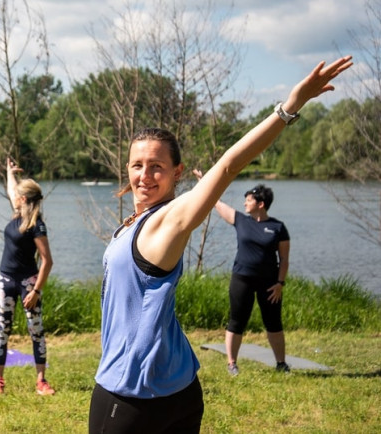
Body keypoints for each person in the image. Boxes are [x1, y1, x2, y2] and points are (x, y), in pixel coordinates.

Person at [88, 55, 352, 433]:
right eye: (137, 165)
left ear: (178, 172)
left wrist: (289, 107)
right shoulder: (135, 221)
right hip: (176, 385)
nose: (145, 175)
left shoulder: (170, 219)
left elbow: (228, 166)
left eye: (157, 166)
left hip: (133, 395)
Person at [192, 177, 290, 376]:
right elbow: (216, 202)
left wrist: (280, 283)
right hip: (242, 279)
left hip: (270, 284)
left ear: (260, 204)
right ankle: (232, 364)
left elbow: (284, 259)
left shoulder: (278, 228)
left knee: (273, 323)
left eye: (249, 200)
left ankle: (281, 363)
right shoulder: (240, 220)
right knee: (236, 321)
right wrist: (204, 180)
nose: (245, 202)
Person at [0, 157, 55, 396]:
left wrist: (36, 291)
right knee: (2, 329)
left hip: (28, 283)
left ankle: (41, 382)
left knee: (35, 330)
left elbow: (47, 261)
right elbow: (11, 188)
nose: (13, 195)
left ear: (24, 199)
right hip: (6, 281)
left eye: (18, 194)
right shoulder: (17, 212)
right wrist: (9, 172)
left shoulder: (36, 224)